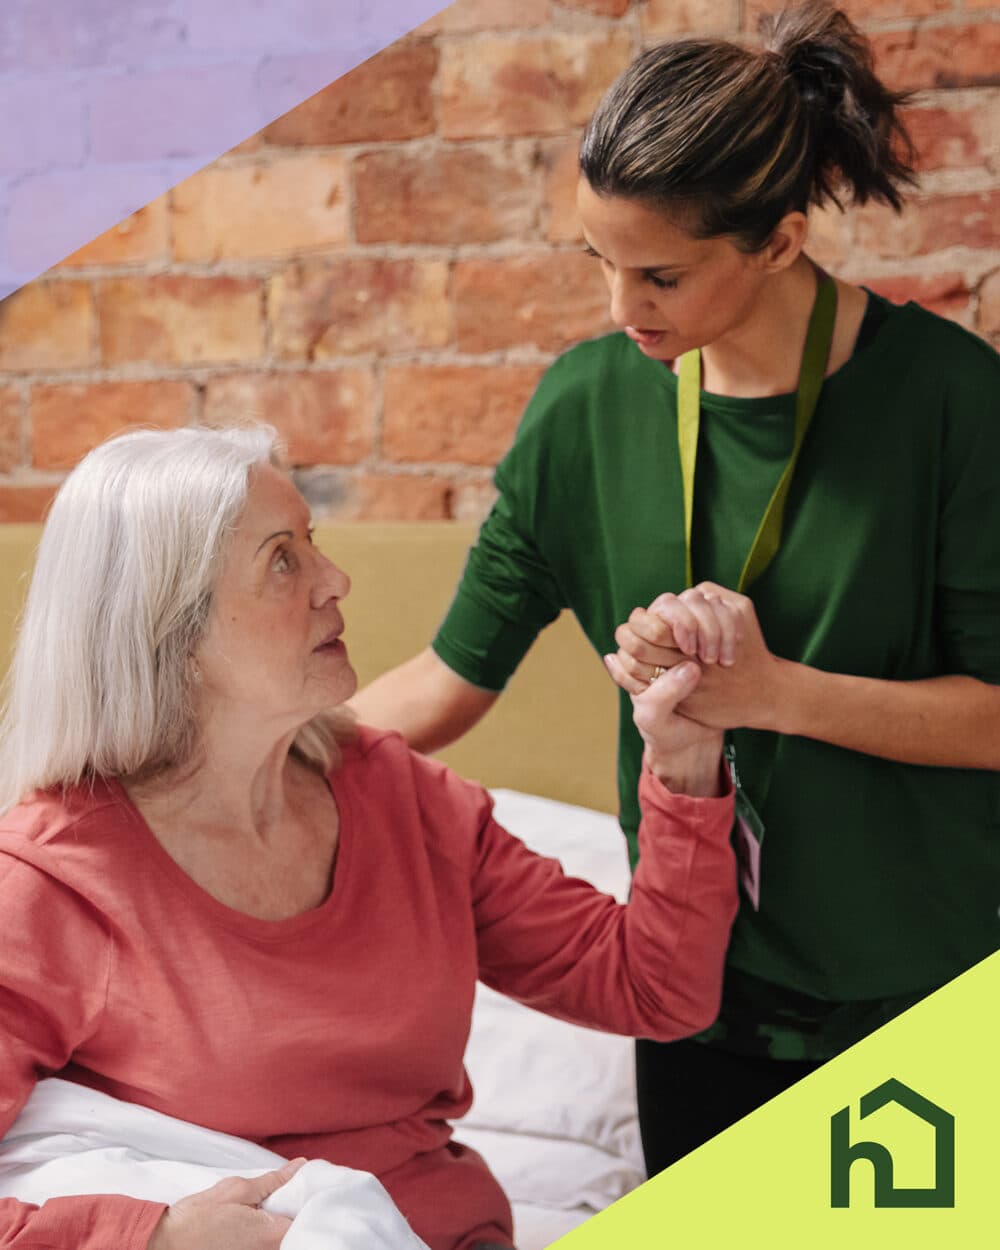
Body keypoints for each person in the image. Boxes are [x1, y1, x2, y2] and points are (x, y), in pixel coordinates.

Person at [350, 0, 1000, 1174]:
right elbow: (449, 678)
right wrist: (199, 776)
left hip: (925, 994)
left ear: (780, 243)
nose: (619, 310)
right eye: (596, 262)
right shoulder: (584, 405)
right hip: (694, 1002)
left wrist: (770, 692)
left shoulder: (951, 400)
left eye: (660, 274)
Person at [0, 424, 738, 1250]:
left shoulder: (398, 795)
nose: (335, 580)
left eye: (314, 544)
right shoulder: (50, 878)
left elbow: (653, 988)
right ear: (170, 624)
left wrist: (683, 758)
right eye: (283, 559)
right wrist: (155, 1237)